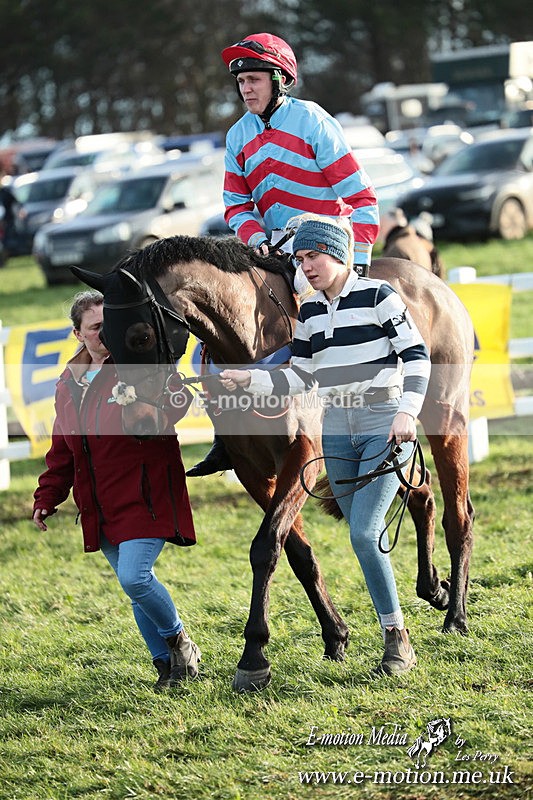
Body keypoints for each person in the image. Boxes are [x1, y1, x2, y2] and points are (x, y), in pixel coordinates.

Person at [218, 214, 431, 676]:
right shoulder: (311, 312)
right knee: (363, 536)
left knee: (363, 534)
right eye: (299, 259)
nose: (305, 267)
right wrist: (250, 380)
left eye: (312, 256)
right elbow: (300, 377)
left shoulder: (379, 295)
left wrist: (407, 412)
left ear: (336, 253)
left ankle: (397, 639)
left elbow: (416, 356)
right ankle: (393, 627)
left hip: (383, 423)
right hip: (335, 427)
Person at [188, 32, 379, 476]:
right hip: (268, 248)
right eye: (241, 82)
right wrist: (255, 238)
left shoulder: (312, 120)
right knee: (214, 324)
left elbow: (361, 197)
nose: (246, 89)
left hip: (326, 241)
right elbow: (236, 205)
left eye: (254, 79)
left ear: (280, 80)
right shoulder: (238, 134)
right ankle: (227, 435)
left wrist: (359, 261)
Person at [32, 291, 200, 692]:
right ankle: (166, 667)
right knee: (135, 591)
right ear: (78, 334)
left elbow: (179, 401)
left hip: (146, 494)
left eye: (110, 325)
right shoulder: (67, 383)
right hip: (100, 503)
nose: (105, 334)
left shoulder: (140, 365)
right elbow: (62, 447)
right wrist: (47, 497)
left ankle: (180, 641)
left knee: (135, 578)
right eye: (95, 327)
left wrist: (148, 399)